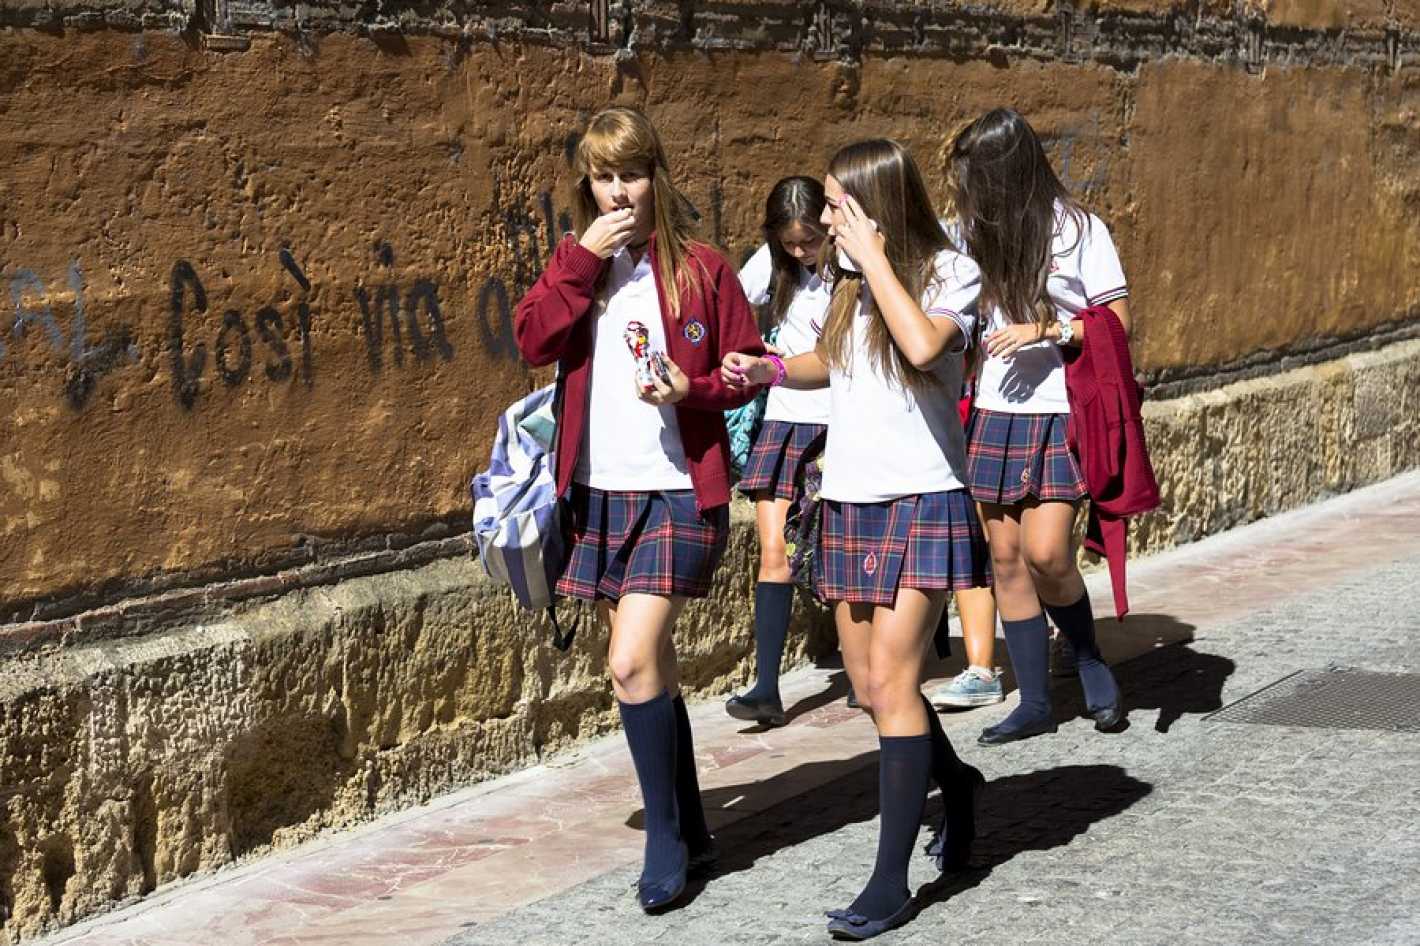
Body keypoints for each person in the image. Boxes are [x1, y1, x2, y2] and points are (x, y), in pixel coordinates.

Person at [724, 139, 989, 940]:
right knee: (873, 690)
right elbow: (831, 362)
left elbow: (920, 345)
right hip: (847, 500)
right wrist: (768, 369)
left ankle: (890, 881)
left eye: (838, 203)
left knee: (899, 685)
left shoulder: (949, 273)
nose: (826, 218)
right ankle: (960, 784)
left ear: (876, 203)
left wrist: (873, 259)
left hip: (922, 498)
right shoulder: (842, 285)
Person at [513, 106, 765, 912]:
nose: (619, 191)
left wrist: (696, 388)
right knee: (650, 666)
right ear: (586, 184)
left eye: (632, 173)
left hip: (680, 491)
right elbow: (532, 340)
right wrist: (580, 264)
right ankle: (693, 828)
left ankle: (665, 842)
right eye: (603, 176)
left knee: (627, 662)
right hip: (598, 495)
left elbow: (750, 368)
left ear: (658, 176)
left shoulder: (703, 271)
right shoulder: (577, 267)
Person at [947, 107, 1132, 746]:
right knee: (1004, 556)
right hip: (994, 412)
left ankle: (1085, 654)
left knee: (1048, 552)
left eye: (976, 177)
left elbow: (1116, 325)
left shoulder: (1079, 231)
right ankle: (1032, 700)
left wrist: (1048, 329)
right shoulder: (969, 232)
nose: (967, 191)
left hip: (1058, 411)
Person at [724, 176, 833, 727]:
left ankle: (867, 667)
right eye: (789, 242)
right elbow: (731, 309)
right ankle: (766, 686)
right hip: (786, 421)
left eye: (809, 239)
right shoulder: (772, 265)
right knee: (775, 552)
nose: (799, 251)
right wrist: (754, 353)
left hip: (841, 424)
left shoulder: (851, 271)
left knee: (837, 546)